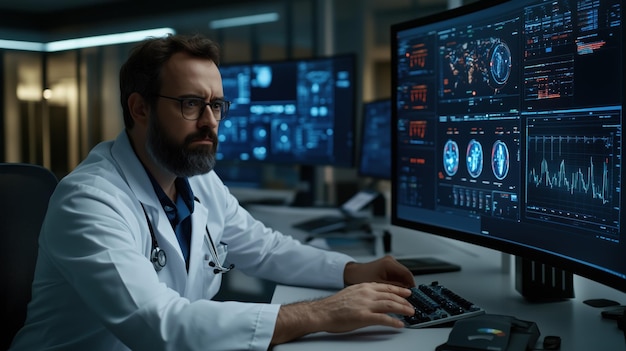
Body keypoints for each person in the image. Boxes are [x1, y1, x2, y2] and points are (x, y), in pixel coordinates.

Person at [9, 33, 416, 351]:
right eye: (191, 104)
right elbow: (162, 327)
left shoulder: (195, 177)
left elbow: (263, 248)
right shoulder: (89, 201)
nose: (210, 122)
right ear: (139, 108)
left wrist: (350, 271)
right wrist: (319, 313)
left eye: (217, 105)